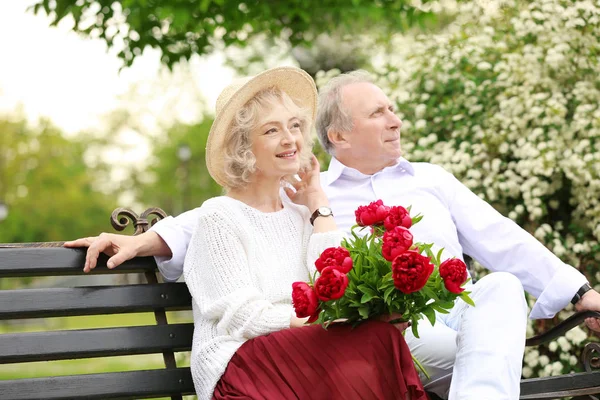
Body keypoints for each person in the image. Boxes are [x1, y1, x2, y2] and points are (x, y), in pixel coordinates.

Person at [65, 69, 600, 400]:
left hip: (440, 326)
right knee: (383, 342)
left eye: (294, 127)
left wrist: (578, 293)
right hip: (374, 337)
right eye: (378, 112)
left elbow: (502, 236)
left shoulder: (421, 180)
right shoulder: (297, 197)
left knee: (504, 284)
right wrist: (142, 240)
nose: (395, 119)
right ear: (339, 135)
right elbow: (217, 222)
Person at [69, 67, 427, 400]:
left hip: (299, 352)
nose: (290, 140)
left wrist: (318, 203)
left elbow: (332, 282)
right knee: (370, 344)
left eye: (294, 126)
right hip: (240, 367)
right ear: (243, 148)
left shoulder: (302, 213)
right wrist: (314, 320)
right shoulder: (219, 217)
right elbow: (241, 316)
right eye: (272, 130)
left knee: (381, 338)